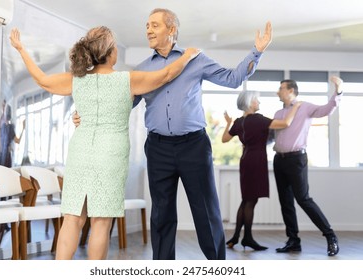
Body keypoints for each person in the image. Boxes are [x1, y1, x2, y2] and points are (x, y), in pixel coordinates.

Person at [73, 9, 272, 260]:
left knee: (206, 212)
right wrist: (85, 116)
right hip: (158, 148)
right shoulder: (142, 69)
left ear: (172, 30)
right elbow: (120, 104)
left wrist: (257, 52)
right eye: (147, 25)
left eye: (155, 25)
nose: (148, 30)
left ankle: (218, 266)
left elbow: (233, 79)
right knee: (161, 215)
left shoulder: (196, 60)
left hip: (194, 146)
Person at [9, 26, 200, 260]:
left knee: (72, 218)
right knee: (100, 222)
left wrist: (21, 49)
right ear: (111, 53)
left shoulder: (77, 80)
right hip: (111, 155)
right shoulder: (127, 80)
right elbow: (166, 74)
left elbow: (42, 80)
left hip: (80, 152)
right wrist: (189, 55)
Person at [272, 76, 343, 256]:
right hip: (279, 160)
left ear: (290, 91)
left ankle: (330, 236)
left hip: (296, 160)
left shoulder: (304, 107)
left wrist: (338, 90)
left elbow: (327, 110)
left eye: (281, 88)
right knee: (285, 202)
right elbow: (272, 136)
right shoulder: (279, 114)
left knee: (303, 199)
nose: (278, 91)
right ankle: (293, 241)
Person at [222, 91, 301, 251]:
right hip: (256, 161)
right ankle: (248, 239)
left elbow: (224, 139)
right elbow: (285, 123)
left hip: (245, 160)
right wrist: (296, 107)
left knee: (246, 199)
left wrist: (228, 123)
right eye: (257, 100)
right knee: (251, 201)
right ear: (250, 103)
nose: (259, 102)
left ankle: (236, 237)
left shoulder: (238, 122)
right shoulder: (259, 119)